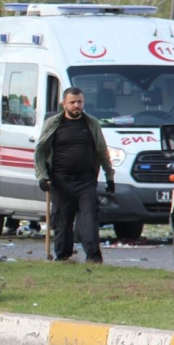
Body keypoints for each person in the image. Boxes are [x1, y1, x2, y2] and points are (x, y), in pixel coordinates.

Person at [34, 87, 115, 263]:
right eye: (72, 102)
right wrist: (42, 176)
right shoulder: (53, 124)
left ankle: (93, 257)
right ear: (64, 104)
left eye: (80, 102)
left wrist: (110, 176)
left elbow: (102, 151)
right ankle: (63, 256)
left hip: (86, 181)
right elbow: (40, 151)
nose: (76, 105)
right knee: (62, 222)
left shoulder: (91, 124)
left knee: (89, 219)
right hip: (60, 181)